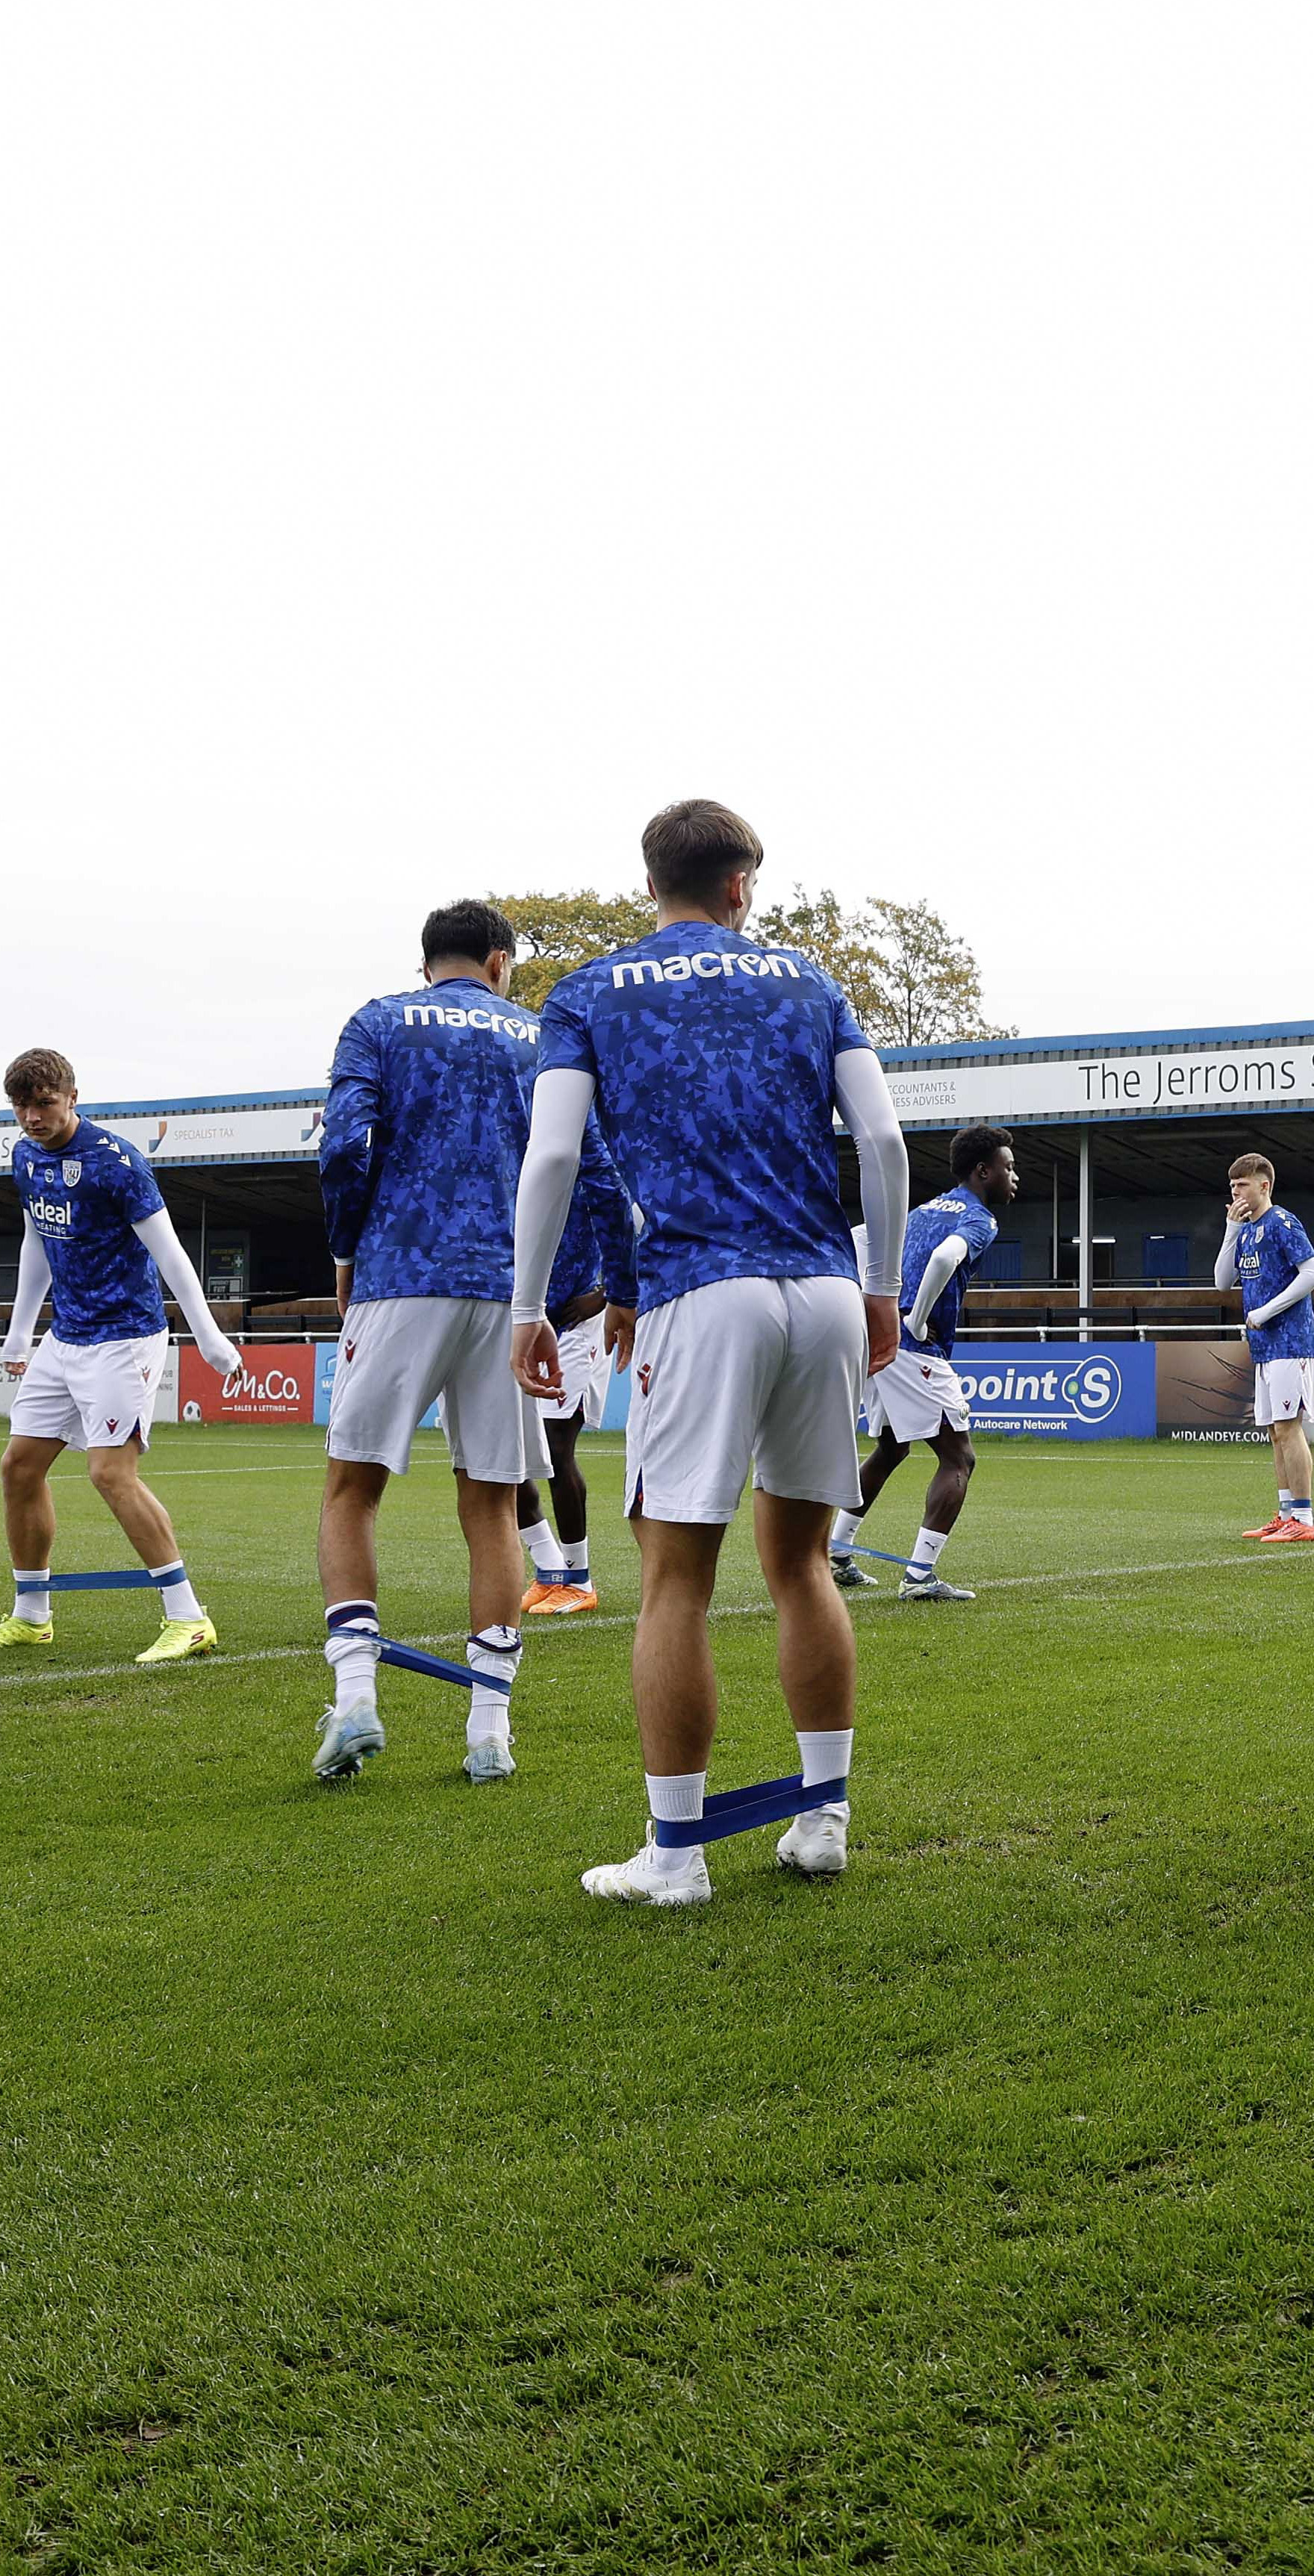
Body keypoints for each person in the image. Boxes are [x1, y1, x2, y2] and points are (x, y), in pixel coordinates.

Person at [508, 798, 909, 1906]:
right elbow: (880, 1139)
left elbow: (551, 1161)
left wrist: (529, 1306)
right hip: (824, 1285)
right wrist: (880, 1290)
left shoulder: (587, 992)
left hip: (701, 1287)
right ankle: (822, 1821)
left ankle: (676, 1856)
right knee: (802, 1564)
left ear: (653, 886)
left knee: (675, 1583)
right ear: (742, 885)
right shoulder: (809, 979)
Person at [311, 900, 550, 1786]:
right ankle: (489, 1730)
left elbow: (344, 1148)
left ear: (427, 964)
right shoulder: (535, 1035)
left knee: (351, 1488)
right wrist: (562, 1291)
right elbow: (583, 1163)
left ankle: (359, 1698)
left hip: (398, 1277)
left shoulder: (377, 1021)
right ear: (498, 960)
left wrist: (346, 1250)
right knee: (492, 1505)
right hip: (505, 1287)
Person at [0, 1048, 243, 1664]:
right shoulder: (26, 1157)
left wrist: (209, 1336)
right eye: (21, 1107)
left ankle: (189, 1618)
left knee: (111, 1474)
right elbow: (37, 1239)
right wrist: (20, 1331)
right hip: (66, 1338)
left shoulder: (117, 1164)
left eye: (44, 1104)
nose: (32, 1118)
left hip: (124, 1338)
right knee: (18, 1467)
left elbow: (170, 1255)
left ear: (72, 1096)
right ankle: (32, 1617)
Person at [832, 1125, 1015, 1600]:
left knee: (892, 1448)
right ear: (983, 1171)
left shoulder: (926, 1209)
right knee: (959, 1458)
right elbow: (943, 1259)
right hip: (913, 1349)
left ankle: (836, 1552)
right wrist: (914, 1321)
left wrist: (874, 1307)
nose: (1014, 1177)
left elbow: (859, 1238)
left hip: (878, 1343)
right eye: (1008, 1168)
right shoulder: (979, 1219)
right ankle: (919, 1577)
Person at [513, 1111, 638, 1619]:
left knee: (558, 1449)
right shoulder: (522, 1158)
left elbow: (641, 1237)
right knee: (508, 1456)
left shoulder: (601, 1161)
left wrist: (607, 1296)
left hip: (576, 1327)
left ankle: (580, 1577)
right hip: (523, 1319)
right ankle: (550, 1571)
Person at [1215, 1153, 1314, 1542]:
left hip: (1291, 1341)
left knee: (1288, 1427)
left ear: (1265, 1186)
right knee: (1274, 1432)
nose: (1236, 1193)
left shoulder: (1282, 1222)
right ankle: (1285, 1513)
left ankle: (1305, 1519)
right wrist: (1230, 1230)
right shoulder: (1245, 1229)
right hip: (1265, 1346)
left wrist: (1266, 1310)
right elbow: (1221, 1283)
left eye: (1242, 1185)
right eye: (1232, 1187)